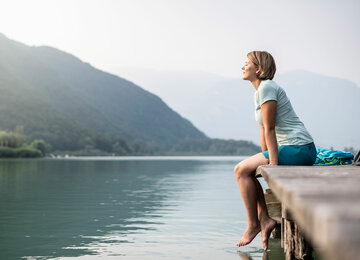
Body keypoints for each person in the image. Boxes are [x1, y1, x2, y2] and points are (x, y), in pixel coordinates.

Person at [234, 51, 316, 250]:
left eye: (247, 63)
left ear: (259, 69)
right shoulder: (259, 92)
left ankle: (255, 223)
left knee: (240, 170)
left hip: (299, 148)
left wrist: (273, 164)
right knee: (247, 171)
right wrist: (265, 160)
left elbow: (270, 128)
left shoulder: (267, 87)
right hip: (288, 147)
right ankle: (264, 220)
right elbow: (263, 130)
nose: (242, 67)